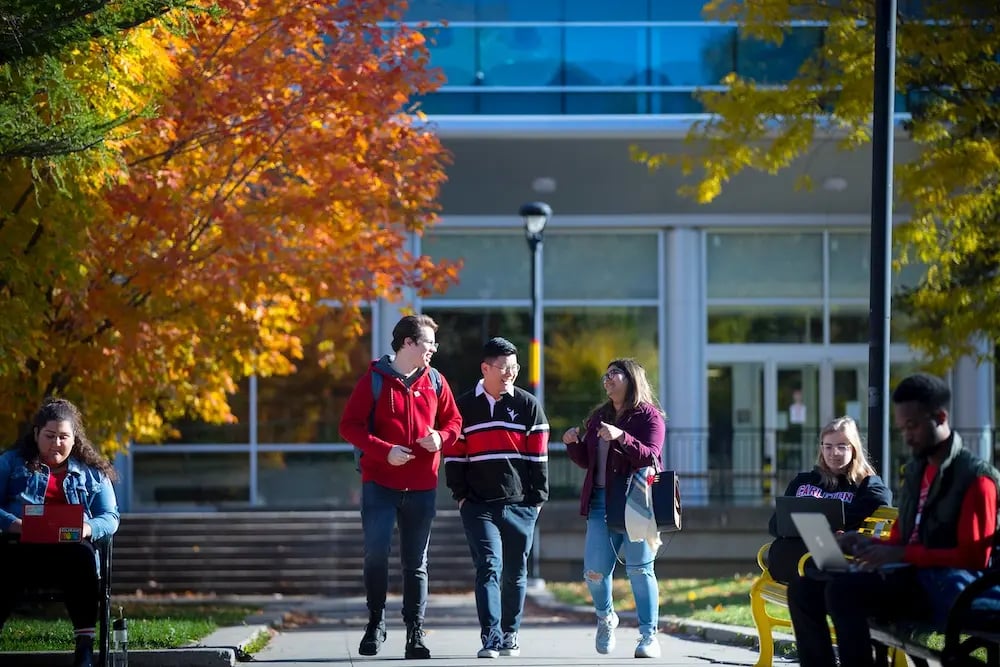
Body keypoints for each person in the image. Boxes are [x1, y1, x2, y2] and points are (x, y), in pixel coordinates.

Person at [787, 373, 1000, 667]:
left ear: (939, 417)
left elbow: (974, 557)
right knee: (803, 588)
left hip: (943, 587)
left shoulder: (976, 479)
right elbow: (902, 538)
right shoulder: (917, 472)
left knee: (843, 592)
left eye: (912, 426)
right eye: (902, 428)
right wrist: (863, 542)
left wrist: (900, 553)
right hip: (908, 576)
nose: (907, 436)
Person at [339, 314, 462, 659]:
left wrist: (441, 437)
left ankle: (415, 631)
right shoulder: (374, 380)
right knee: (376, 554)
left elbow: (454, 421)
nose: (433, 350)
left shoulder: (436, 381)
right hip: (380, 483)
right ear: (407, 343)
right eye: (428, 343)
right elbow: (349, 426)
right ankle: (376, 622)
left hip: (422, 486)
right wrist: (384, 451)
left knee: (416, 562)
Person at [445, 337, 549, 659]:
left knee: (516, 573)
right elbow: (454, 456)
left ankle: (510, 633)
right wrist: (461, 496)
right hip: (478, 506)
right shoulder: (464, 407)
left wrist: (536, 501)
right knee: (489, 567)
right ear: (485, 368)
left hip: (520, 506)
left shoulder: (528, 405)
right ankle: (490, 636)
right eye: (503, 368)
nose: (509, 374)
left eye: (514, 368)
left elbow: (539, 459)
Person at [0, 398, 120, 667]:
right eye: (49, 436)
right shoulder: (11, 463)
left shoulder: (92, 473)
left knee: (82, 555)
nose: (56, 443)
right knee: (5, 558)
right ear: (36, 434)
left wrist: (88, 527)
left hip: (70, 555)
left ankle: (85, 649)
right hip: (22, 548)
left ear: (74, 437)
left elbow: (111, 517)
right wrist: (14, 524)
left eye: (63, 437)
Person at [561, 358, 666, 659]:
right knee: (593, 572)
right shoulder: (599, 417)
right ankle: (606, 617)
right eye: (605, 375)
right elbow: (588, 461)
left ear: (631, 379)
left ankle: (649, 636)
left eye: (613, 374)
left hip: (636, 504)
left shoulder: (649, 417)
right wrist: (572, 444)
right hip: (600, 504)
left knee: (639, 570)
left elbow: (651, 456)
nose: (606, 380)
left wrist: (622, 437)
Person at [765, 416, 892, 584]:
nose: (834, 453)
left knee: (813, 551)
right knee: (782, 549)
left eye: (841, 446)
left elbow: (880, 498)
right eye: (829, 446)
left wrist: (838, 527)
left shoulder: (866, 485)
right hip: (792, 554)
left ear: (853, 449)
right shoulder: (803, 481)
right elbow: (776, 524)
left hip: (832, 556)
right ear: (821, 449)